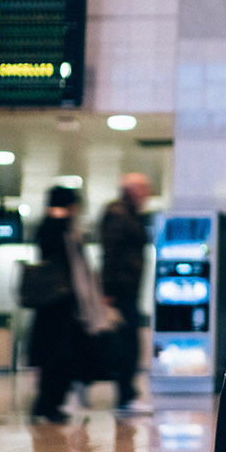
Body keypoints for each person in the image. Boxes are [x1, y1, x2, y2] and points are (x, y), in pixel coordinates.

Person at [29, 186, 94, 423]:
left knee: (57, 358)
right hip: (58, 305)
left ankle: (49, 404)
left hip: (57, 305)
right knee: (58, 358)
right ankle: (48, 405)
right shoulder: (58, 227)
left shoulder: (53, 227)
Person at [99, 172, 153, 414]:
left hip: (127, 288)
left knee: (128, 342)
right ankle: (125, 394)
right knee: (126, 343)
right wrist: (108, 290)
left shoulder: (129, 215)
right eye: (143, 190)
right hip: (120, 290)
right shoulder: (119, 215)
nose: (147, 195)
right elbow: (111, 253)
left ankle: (127, 392)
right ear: (131, 190)